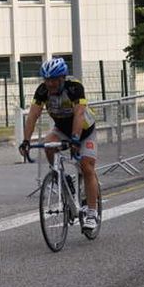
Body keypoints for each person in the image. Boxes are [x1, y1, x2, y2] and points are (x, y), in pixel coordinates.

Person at [18, 57, 100, 235]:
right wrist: (25, 141)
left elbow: (79, 114)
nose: (50, 84)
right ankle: (63, 178)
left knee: (86, 167)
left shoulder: (74, 87)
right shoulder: (42, 91)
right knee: (48, 145)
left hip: (85, 130)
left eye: (54, 79)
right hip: (61, 128)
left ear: (63, 78)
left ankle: (92, 213)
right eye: (47, 80)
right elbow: (32, 116)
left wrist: (76, 140)